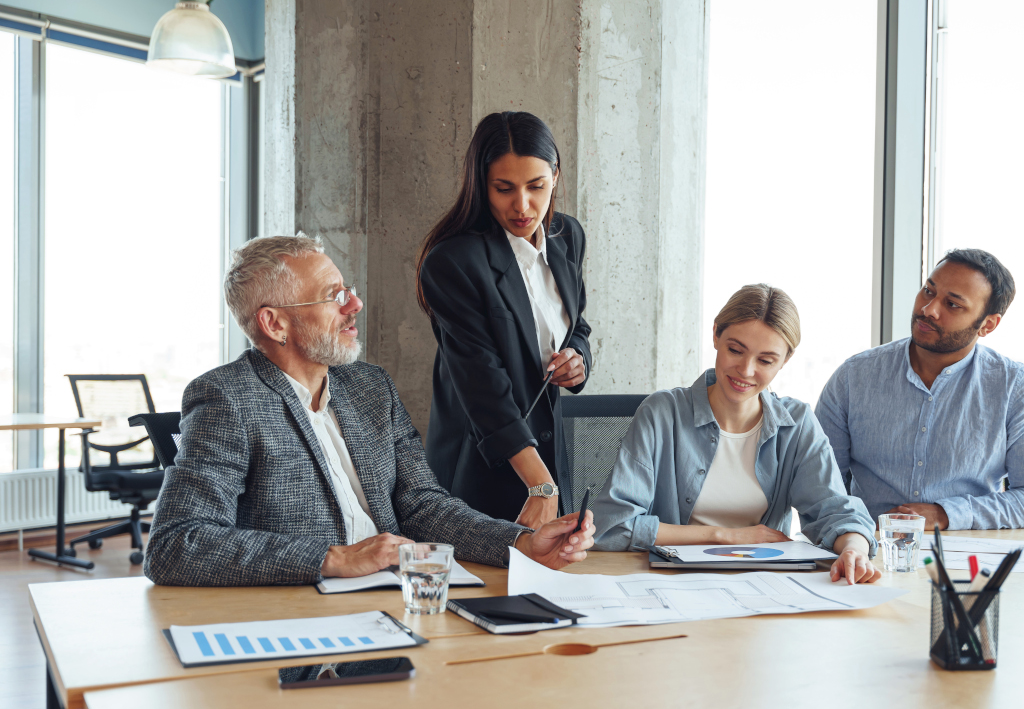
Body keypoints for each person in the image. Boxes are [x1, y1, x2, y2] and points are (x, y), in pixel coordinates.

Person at [143, 235, 593, 588]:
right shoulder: (227, 398)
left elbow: (423, 507)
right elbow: (176, 544)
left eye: (348, 291)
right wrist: (335, 558)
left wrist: (521, 543)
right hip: (307, 627)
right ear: (274, 323)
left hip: (400, 603)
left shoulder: (370, 387)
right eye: (332, 296)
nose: (354, 305)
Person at [590, 284, 880, 585]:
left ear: (786, 360)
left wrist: (854, 549)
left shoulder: (796, 423)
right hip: (671, 583)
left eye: (766, 360)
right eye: (735, 350)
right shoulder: (662, 413)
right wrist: (727, 537)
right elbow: (611, 526)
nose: (746, 370)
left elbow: (835, 511)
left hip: (762, 585)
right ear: (716, 334)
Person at [416, 111, 592, 528]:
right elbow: (482, 384)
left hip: (550, 460)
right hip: (483, 465)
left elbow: (576, 323)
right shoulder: (454, 262)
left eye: (537, 186)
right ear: (481, 184)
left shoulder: (568, 237)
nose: (522, 205)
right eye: (504, 188)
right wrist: (539, 484)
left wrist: (577, 357)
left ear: (555, 175)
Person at [815, 248, 1024, 531]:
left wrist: (945, 515)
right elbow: (822, 487)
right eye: (928, 291)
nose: (928, 309)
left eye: (953, 304)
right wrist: (851, 538)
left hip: (969, 558)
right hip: (867, 553)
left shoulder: (1017, 389)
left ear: (987, 324)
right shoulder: (853, 377)